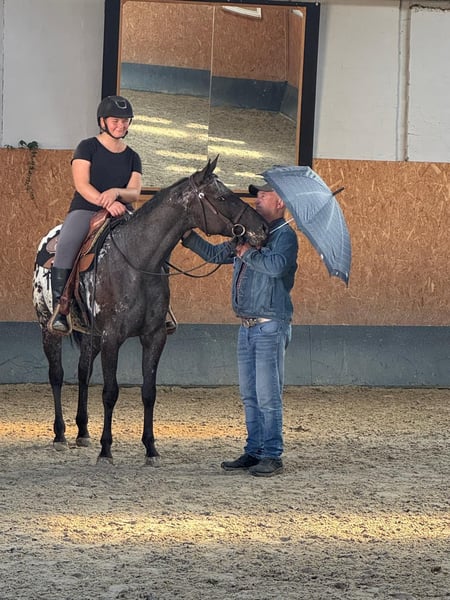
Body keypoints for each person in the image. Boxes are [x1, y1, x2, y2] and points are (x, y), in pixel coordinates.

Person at [182, 182, 298, 476]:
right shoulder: (248, 234)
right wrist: (187, 236)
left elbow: (276, 267)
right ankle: (254, 450)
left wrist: (248, 253)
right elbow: (213, 255)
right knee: (250, 394)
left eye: (264, 194)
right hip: (248, 326)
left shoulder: (285, 237)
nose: (258, 198)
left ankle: (272, 454)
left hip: (270, 325)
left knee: (267, 395)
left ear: (280, 202)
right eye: (258, 194)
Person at [49, 95, 142, 334]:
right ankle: (61, 308)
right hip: (87, 208)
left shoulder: (133, 157)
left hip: (122, 211)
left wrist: (116, 193)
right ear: (102, 121)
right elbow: (82, 185)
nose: (121, 125)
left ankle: (160, 307)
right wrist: (107, 203)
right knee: (67, 243)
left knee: (149, 244)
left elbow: (134, 192)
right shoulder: (87, 147)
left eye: (125, 121)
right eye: (115, 120)